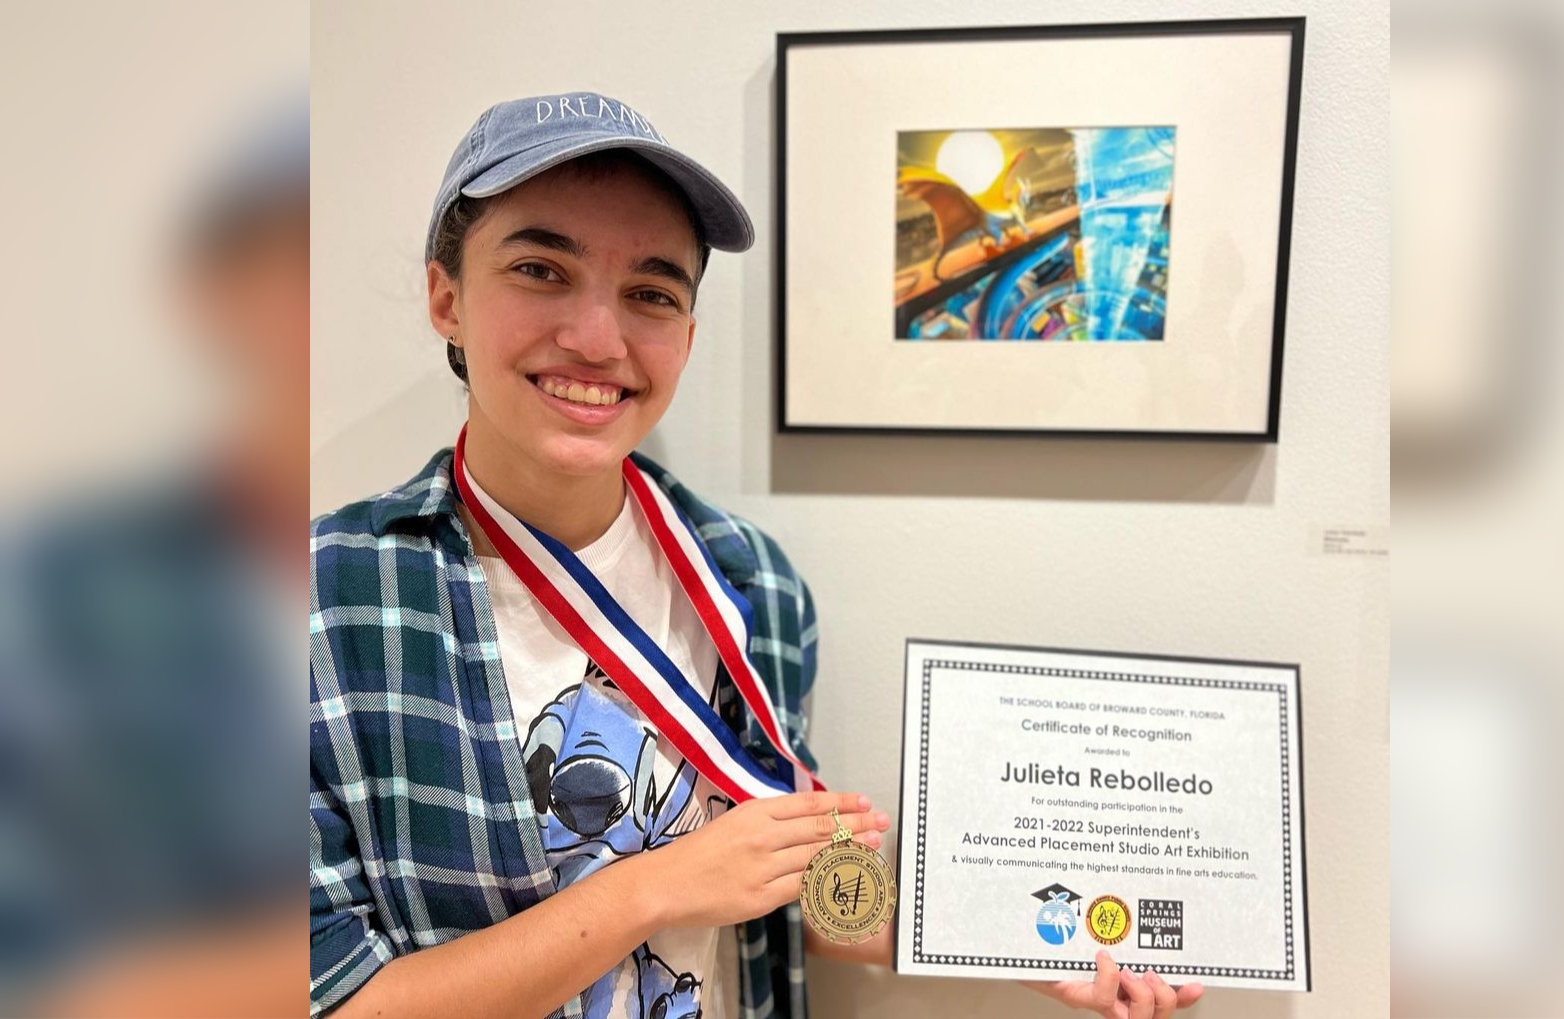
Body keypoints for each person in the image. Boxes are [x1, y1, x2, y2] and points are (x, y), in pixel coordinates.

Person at [310, 90, 1203, 1019]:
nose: (598, 337)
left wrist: (1019, 933)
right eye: (540, 268)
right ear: (446, 297)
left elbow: (787, 881)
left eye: (652, 293)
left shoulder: (749, 579)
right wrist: (652, 887)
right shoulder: (323, 602)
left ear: (687, 336)